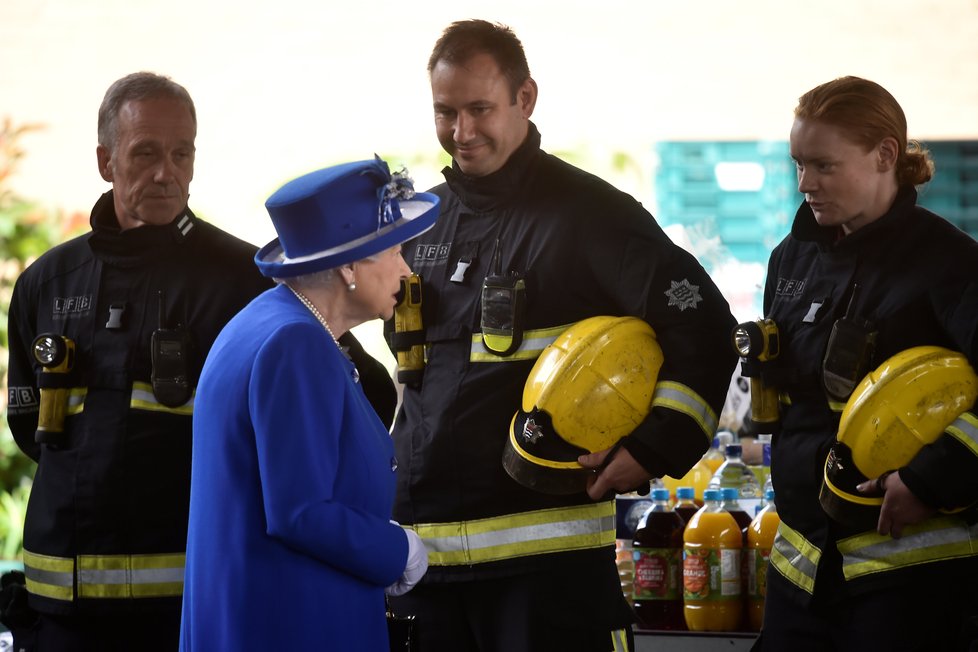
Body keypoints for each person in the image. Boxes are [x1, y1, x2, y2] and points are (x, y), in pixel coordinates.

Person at [386, 19, 738, 652]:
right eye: (445, 112)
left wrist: (654, 445)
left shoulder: (593, 216)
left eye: (480, 109)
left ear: (526, 99)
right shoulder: (421, 225)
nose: (462, 133)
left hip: (547, 578)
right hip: (427, 572)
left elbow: (704, 326)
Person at [2, 72, 273, 650]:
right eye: (145, 152)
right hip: (61, 612)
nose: (165, 172)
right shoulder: (44, 283)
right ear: (105, 160)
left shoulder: (245, 281)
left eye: (181, 154)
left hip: (184, 609)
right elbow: (31, 429)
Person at [180, 157, 438, 651]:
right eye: (395, 249)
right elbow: (300, 511)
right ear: (348, 266)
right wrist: (396, 550)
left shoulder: (267, 322)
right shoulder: (295, 345)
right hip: (293, 622)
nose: (407, 270)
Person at [756, 76, 978, 651]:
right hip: (802, 576)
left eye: (824, 166)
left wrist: (931, 478)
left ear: (884, 155)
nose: (806, 183)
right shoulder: (791, 258)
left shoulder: (950, 264)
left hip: (909, 580)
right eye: (798, 165)